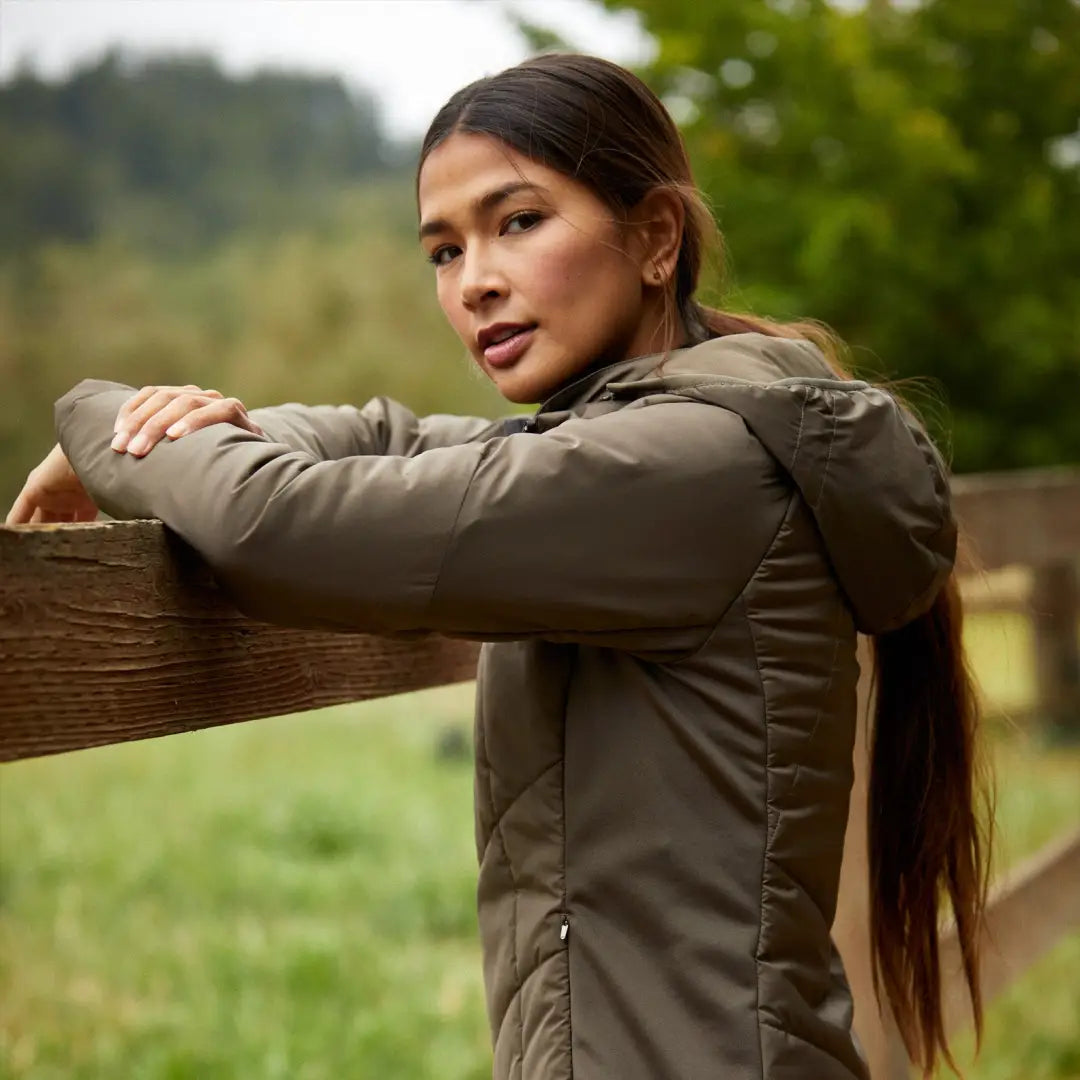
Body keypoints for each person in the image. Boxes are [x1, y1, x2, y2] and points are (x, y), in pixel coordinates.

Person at [8, 54, 989, 1080]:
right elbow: (384, 438)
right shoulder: (655, 438)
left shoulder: (689, 469)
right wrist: (187, 423)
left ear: (655, 237)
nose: (473, 280)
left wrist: (99, 423)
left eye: (517, 222)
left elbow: (278, 525)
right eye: (442, 249)